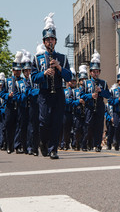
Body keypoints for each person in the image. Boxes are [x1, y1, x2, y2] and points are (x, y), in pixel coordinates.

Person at [31, 13, 72, 159]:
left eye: (52, 39)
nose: (50, 42)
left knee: (56, 122)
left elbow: (69, 77)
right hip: (44, 93)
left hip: (58, 93)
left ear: (55, 41)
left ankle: (53, 149)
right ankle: (43, 141)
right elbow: (33, 77)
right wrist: (44, 73)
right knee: (44, 121)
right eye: (47, 40)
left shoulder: (62, 58)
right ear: (44, 42)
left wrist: (59, 68)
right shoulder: (37, 58)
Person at [80, 50, 111, 152]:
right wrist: (90, 95)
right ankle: (85, 144)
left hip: (99, 106)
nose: (95, 73)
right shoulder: (86, 83)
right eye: (93, 71)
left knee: (99, 126)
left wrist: (101, 92)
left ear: (99, 72)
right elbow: (82, 96)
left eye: (97, 71)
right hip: (89, 106)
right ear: (90, 72)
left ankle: (98, 145)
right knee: (88, 126)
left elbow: (108, 95)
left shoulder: (103, 83)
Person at [0, 52, 23, 154]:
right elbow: (1, 92)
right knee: (9, 126)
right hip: (9, 106)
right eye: (15, 70)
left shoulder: (23, 81)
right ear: (12, 70)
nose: (17, 72)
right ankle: (9, 145)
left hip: (19, 105)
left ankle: (17, 146)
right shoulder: (7, 81)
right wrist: (7, 96)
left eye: (19, 70)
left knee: (19, 125)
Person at [25, 45, 43, 156]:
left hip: (43, 103)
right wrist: (39, 92)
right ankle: (32, 147)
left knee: (43, 126)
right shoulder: (30, 78)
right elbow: (28, 91)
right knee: (33, 127)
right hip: (33, 105)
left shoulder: (45, 75)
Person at [72, 65, 88, 151]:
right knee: (77, 129)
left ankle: (84, 145)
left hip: (86, 112)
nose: (83, 82)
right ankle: (76, 143)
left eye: (85, 79)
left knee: (85, 129)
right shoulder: (75, 91)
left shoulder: (89, 90)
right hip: (77, 113)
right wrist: (79, 101)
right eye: (81, 80)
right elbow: (71, 102)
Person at [61, 68, 76, 150]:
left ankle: (74, 143)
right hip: (66, 112)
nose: (72, 82)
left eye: (74, 81)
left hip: (75, 112)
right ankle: (64, 144)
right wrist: (72, 102)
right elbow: (64, 101)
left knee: (75, 128)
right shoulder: (64, 91)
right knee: (65, 129)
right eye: (71, 81)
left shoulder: (77, 91)